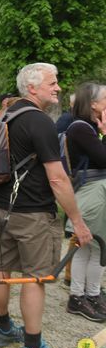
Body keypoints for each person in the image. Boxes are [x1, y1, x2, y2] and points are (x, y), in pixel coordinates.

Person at [0, 63, 92, 348]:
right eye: (52, 82)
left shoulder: (5, 115)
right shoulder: (39, 121)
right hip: (31, 213)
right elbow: (57, 178)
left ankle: (3, 328)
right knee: (34, 278)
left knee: (2, 268)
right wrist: (77, 221)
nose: (58, 87)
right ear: (32, 87)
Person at [65, 83, 106, 322]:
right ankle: (83, 296)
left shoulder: (88, 127)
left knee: (91, 247)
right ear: (93, 104)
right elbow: (103, 159)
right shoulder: (81, 128)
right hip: (92, 193)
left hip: (92, 192)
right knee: (97, 247)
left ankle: (86, 295)